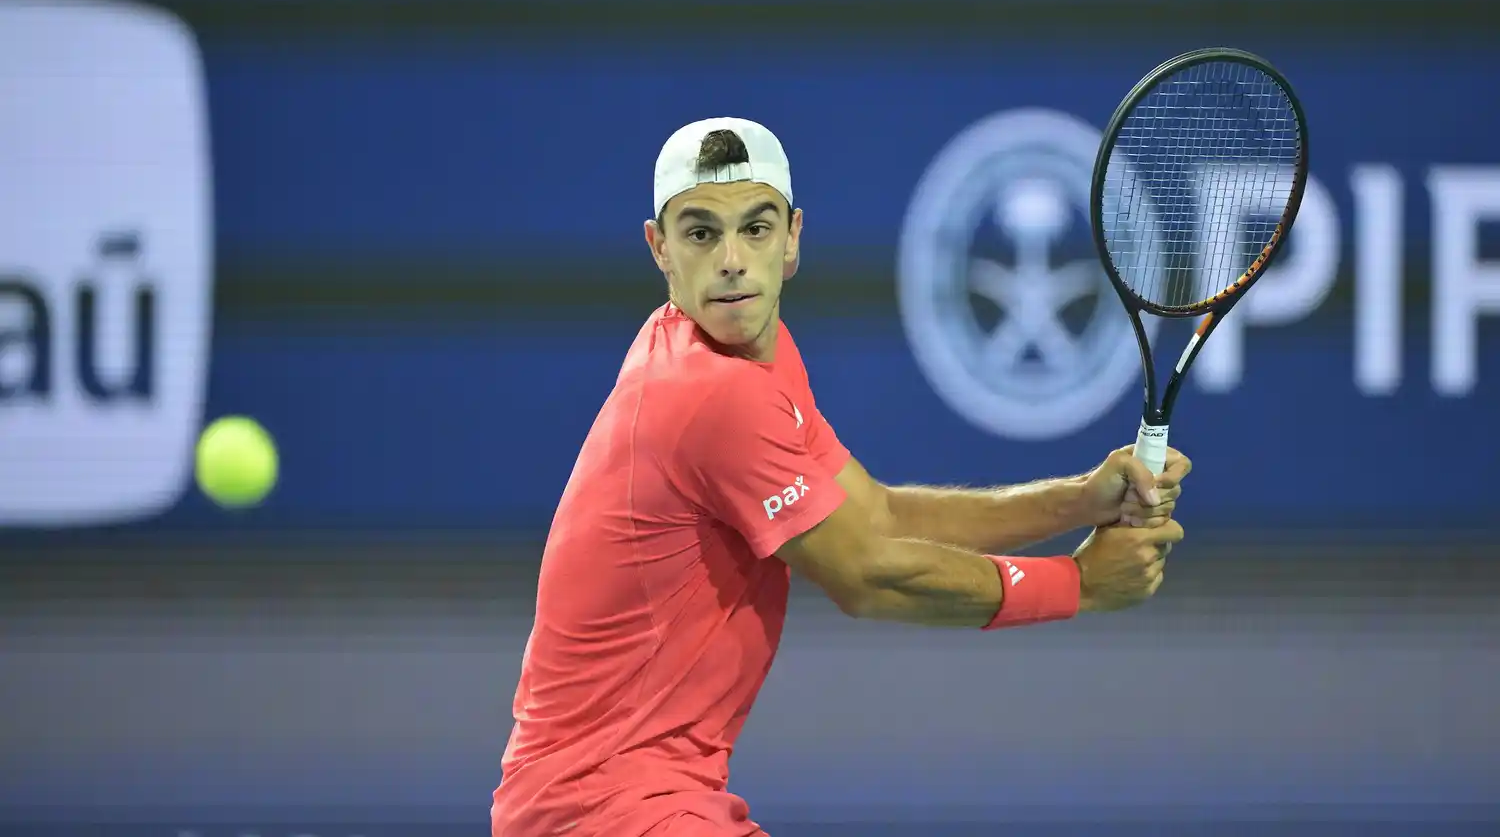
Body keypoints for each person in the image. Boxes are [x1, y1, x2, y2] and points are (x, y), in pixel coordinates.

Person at [491, 117, 1192, 837]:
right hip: (605, 810)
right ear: (660, 248)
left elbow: (876, 513)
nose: (732, 259)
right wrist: (1080, 585)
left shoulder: (745, 360)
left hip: (626, 800)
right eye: (701, 233)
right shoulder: (708, 395)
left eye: (755, 229)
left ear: (792, 238)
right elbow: (869, 574)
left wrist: (1076, 500)